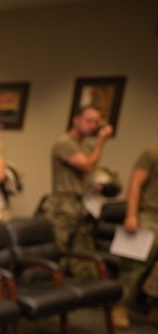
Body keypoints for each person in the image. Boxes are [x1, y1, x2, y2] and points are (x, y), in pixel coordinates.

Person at [46, 105, 114, 279]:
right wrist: (101, 142)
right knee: (58, 249)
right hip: (64, 204)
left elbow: (92, 170)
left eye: (95, 122)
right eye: (88, 120)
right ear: (76, 120)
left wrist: (98, 183)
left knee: (83, 251)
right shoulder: (64, 143)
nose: (92, 126)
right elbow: (87, 165)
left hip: (83, 203)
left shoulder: (85, 145)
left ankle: (88, 294)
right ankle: (49, 285)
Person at [124, 143, 158, 323]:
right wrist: (131, 215)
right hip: (149, 215)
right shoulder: (152, 151)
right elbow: (135, 184)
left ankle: (154, 307)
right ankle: (121, 305)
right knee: (134, 265)